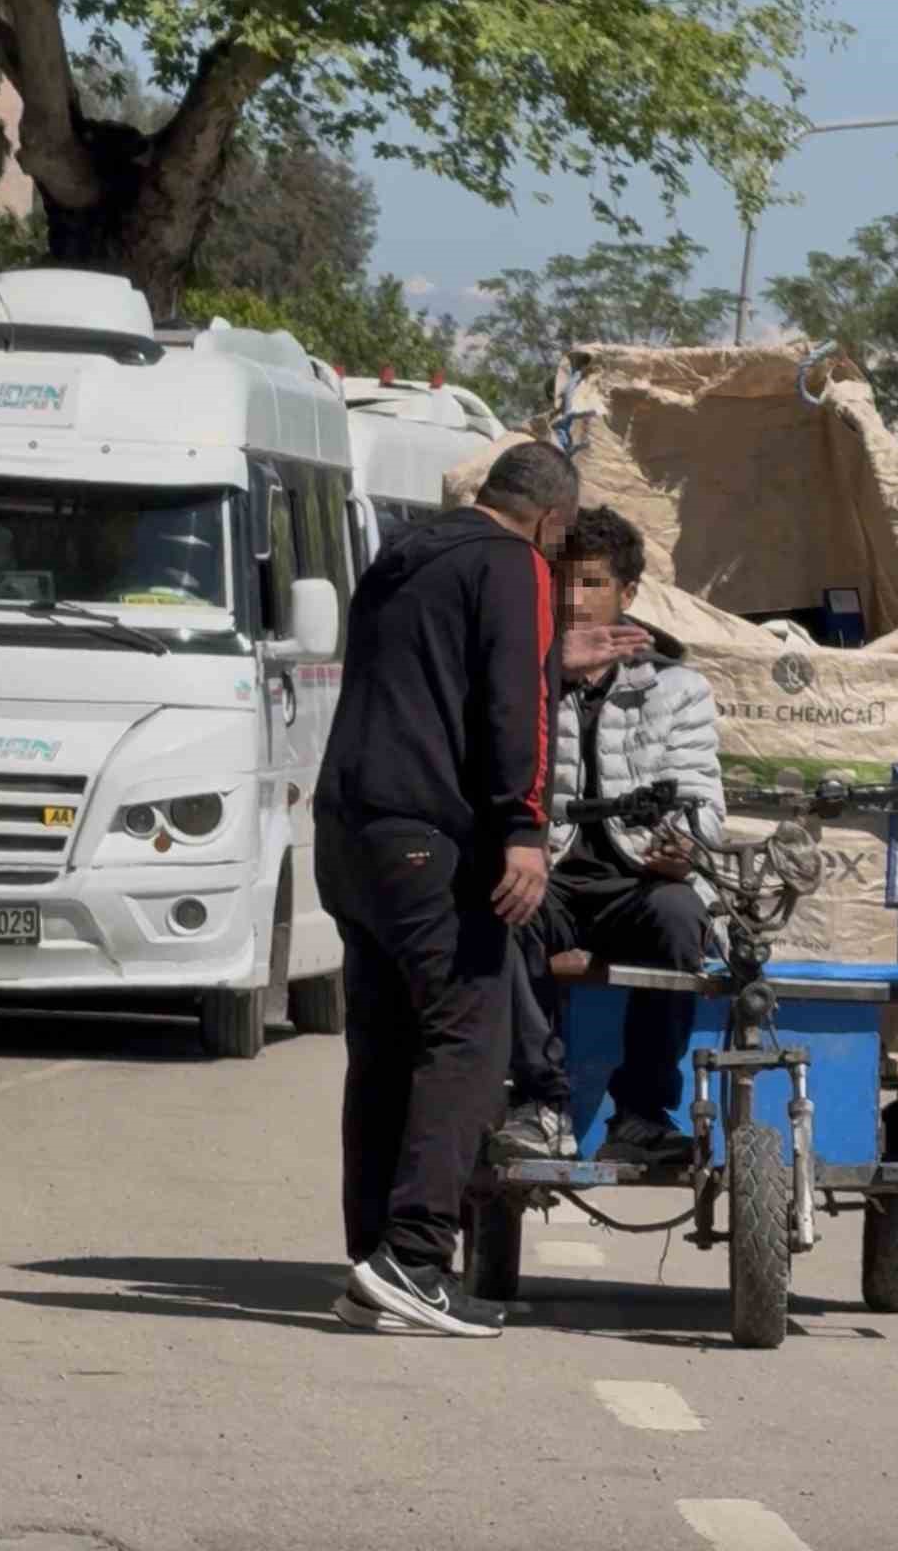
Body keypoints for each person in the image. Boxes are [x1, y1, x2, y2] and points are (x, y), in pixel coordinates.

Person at [314, 441, 630, 1338]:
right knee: (467, 1036)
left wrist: (547, 659)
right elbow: (508, 707)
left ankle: (373, 1260)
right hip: (427, 835)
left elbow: (431, 675)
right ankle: (417, 1259)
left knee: (384, 1042)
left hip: (350, 833)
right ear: (553, 520)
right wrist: (522, 829)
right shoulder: (514, 562)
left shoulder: (405, 555)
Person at [488, 505, 727, 1168]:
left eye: (591, 583)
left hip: (638, 882)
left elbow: (703, 796)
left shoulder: (677, 687)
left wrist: (685, 847)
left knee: (681, 917)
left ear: (625, 595)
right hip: (553, 877)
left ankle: (644, 1113)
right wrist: (543, 673)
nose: (573, 599)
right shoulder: (516, 679)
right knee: (508, 909)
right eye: (560, 581)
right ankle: (540, 1102)